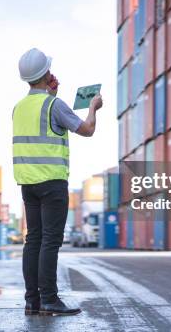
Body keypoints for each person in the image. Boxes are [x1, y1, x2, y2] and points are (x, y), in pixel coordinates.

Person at [12, 48, 102, 316]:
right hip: (52, 183)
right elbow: (87, 130)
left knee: (33, 240)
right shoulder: (55, 104)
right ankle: (50, 299)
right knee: (51, 241)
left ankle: (32, 301)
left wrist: (49, 94)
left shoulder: (19, 108)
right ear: (47, 73)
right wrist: (93, 107)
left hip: (27, 184)